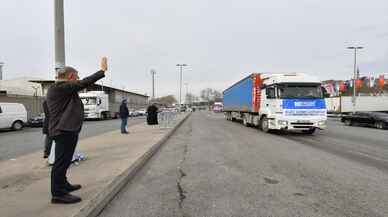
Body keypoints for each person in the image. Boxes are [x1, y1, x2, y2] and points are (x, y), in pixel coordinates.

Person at [46, 57, 108, 204]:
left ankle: (64, 185)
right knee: (60, 163)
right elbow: (84, 82)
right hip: (63, 131)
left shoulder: (63, 89)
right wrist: (102, 71)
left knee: (65, 160)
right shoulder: (60, 88)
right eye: (77, 76)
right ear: (71, 76)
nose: (78, 79)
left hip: (66, 130)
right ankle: (58, 194)